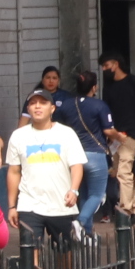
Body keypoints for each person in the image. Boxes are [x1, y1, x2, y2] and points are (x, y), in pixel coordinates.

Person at [7, 89, 85, 250]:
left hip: (61, 204)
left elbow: (77, 165)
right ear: (28, 109)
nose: (37, 107)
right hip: (29, 204)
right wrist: (12, 206)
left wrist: (74, 190)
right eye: (33, 103)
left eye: (43, 103)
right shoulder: (18, 136)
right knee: (30, 250)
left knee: (64, 252)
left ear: (52, 108)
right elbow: (14, 171)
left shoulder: (66, 133)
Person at [52, 69, 118, 236]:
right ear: (94, 88)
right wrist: (122, 138)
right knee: (97, 194)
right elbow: (109, 131)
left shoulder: (66, 104)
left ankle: (87, 233)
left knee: (82, 194)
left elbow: (57, 127)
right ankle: (80, 222)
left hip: (73, 156)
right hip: (95, 155)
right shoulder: (99, 105)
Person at [102, 55, 135, 219]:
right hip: (115, 136)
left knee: (124, 171)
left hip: (133, 133)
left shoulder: (133, 82)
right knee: (121, 172)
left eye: (106, 64)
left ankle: (126, 210)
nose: (104, 69)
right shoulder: (108, 87)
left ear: (115, 64)